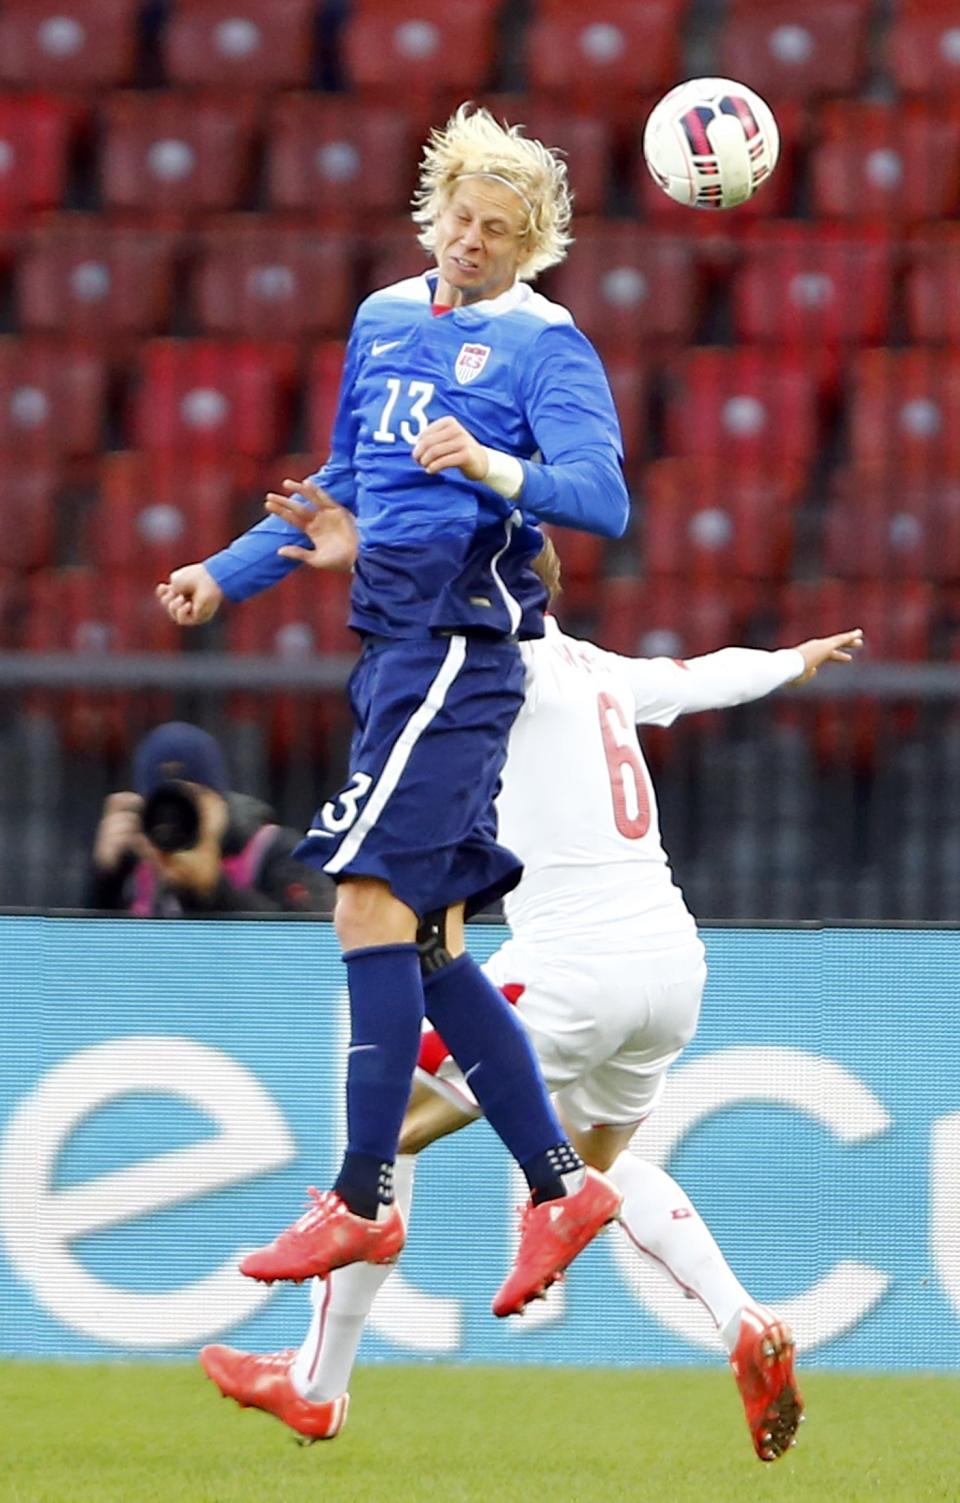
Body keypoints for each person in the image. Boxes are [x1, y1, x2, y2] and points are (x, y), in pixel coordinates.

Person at [197, 515, 862, 1460]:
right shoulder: (601, 669)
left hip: (570, 969)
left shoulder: (484, 679)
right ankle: (741, 1319)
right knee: (585, 1170)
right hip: (673, 966)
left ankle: (317, 1380)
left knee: (384, 1129)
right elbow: (712, 674)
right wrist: (796, 657)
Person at [156, 104, 631, 1314]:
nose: (473, 241)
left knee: (365, 901)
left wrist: (492, 466)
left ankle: (362, 1200)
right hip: (390, 657)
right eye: (462, 218)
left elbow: (602, 499)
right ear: (435, 214)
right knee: (425, 943)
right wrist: (229, 569)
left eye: (501, 230)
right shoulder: (380, 319)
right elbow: (343, 495)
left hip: (461, 656)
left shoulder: (547, 345)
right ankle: (560, 1182)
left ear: (535, 245)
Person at [87, 721, 336, 915]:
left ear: (221, 799)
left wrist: (213, 888)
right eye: (165, 803)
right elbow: (80, 967)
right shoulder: (134, 860)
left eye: (192, 799)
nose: (178, 818)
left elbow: (303, 950)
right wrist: (105, 880)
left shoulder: (275, 851)